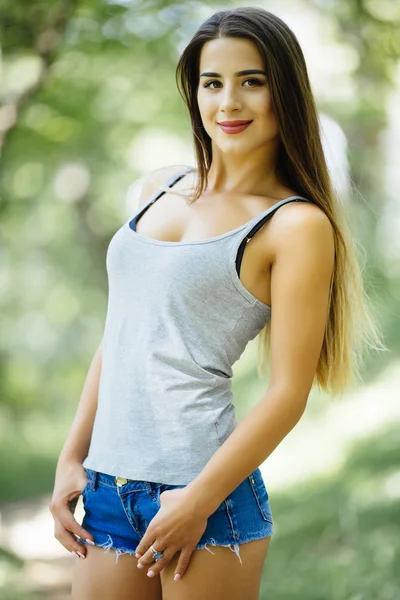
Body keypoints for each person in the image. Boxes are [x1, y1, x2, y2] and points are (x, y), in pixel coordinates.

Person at [50, 6, 383, 600]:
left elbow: (288, 393)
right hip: (106, 487)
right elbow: (122, 333)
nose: (229, 102)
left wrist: (198, 500)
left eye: (252, 81)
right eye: (213, 82)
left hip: (206, 494)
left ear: (285, 93)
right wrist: (72, 455)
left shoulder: (294, 225)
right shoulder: (155, 188)